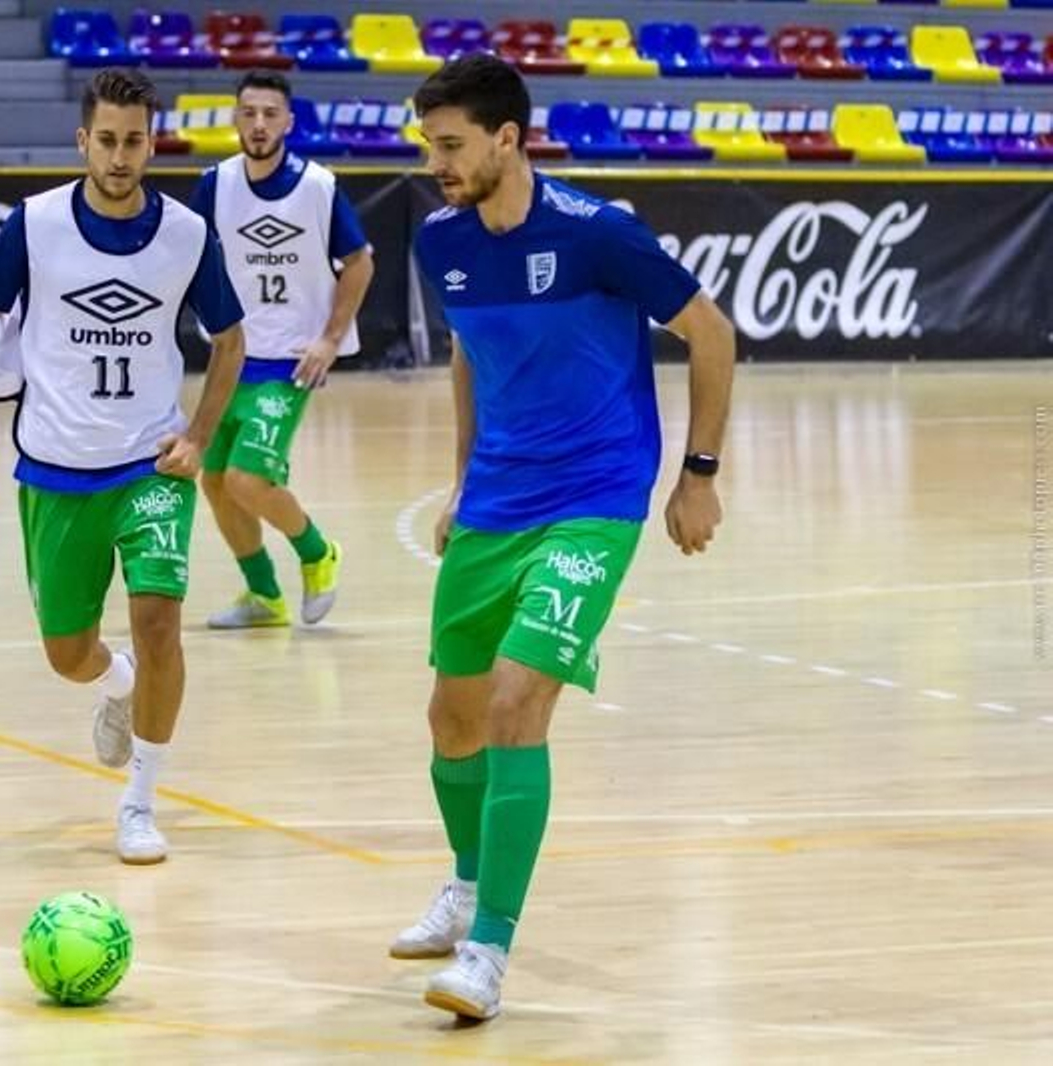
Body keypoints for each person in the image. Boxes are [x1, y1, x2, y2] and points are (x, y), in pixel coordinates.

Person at [393, 55, 736, 1022]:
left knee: (513, 703)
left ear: (509, 138)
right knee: (450, 718)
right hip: (496, 499)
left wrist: (697, 478)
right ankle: (465, 885)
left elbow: (712, 334)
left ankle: (490, 951)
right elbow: (469, 351)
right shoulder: (442, 243)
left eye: (452, 145)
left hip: (596, 495)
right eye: (429, 144)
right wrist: (463, 478)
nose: (437, 161)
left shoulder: (601, 236)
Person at [0, 69, 246, 865]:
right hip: (55, 469)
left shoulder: (185, 235)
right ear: (83, 140)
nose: (119, 155)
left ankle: (141, 801)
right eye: (106, 140)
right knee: (68, 654)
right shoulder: (34, 224)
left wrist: (200, 437)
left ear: (153, 143)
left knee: (160, 621)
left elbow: (230, 341)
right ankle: (118, 684)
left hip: (149, 468)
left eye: (134, 140)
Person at [187, 70, 374, 629]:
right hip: (233, 357)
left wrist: (330, 338)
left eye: (271, 114)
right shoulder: (215, 184)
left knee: (249, 480)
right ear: (235, 119)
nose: (260, 123)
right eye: (249, 112)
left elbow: (360, 262)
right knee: (216, 483)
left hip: (289, 361)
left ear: (289, 122)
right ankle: (264, 596)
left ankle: (318, 554)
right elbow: (188, 254)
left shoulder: (318, 186)